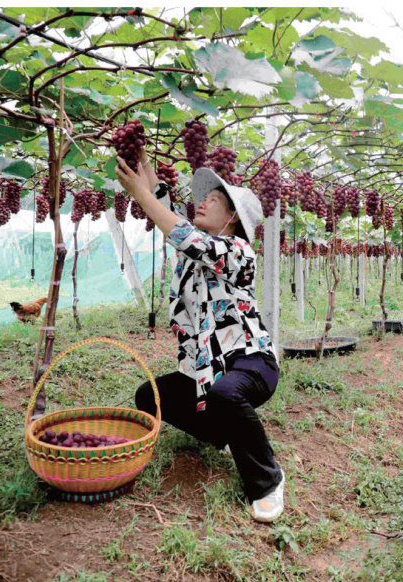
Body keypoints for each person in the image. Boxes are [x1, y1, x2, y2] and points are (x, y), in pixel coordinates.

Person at [115, 151, 285, 522]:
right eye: (204, 197)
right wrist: (142, 159)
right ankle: (226, 436)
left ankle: (267, 481)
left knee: (226, 394)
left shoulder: (238, 252)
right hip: (208, 369)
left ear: (233, 217)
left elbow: (184, 234)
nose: (203, 202)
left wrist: (139, 195)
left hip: (251, 363)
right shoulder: (194, 256)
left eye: (214, 200)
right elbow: (167, 211)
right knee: (149, 396)